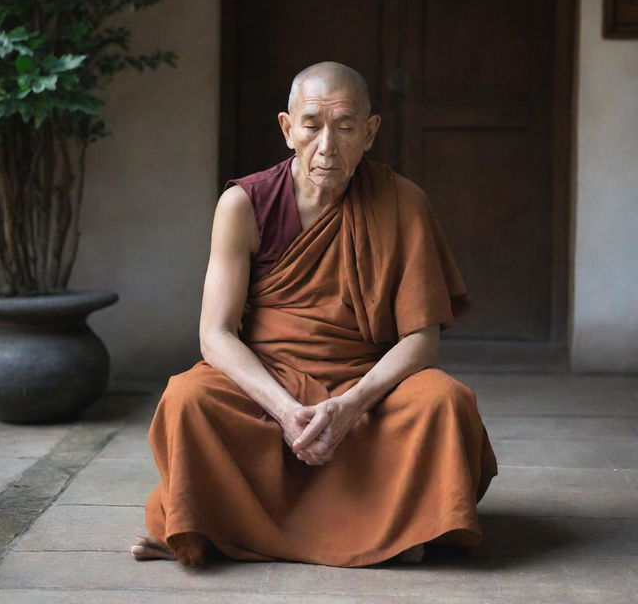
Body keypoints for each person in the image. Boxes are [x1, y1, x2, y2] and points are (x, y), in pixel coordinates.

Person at [131, 61, 498, 568]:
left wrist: (349, 406)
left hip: (367, 384)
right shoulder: (244, 205)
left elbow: (421, 339)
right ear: (287, 129)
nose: (327, 146)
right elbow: (215, 335)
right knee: (187, 398)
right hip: (268, 383)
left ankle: (228, 533)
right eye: (312, 125)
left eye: (346, 127)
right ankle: (390, 534)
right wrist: (284, 410)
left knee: (446, 402)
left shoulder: (404, 203)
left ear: (369, 133)